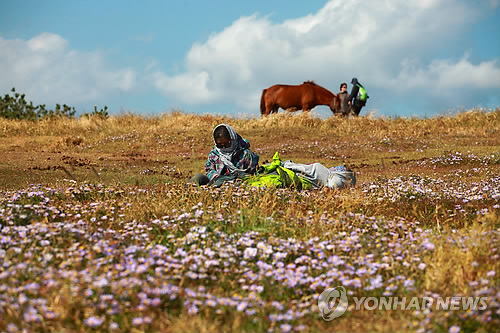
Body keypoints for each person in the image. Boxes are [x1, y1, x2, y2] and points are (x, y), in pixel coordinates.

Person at [188, 124, 259, 186]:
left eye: (226, 144)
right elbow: (209, 170)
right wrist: (216, 177)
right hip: (215, 182)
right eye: (220, 145)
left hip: (237, 184)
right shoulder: (214, 154)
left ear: (233, 139)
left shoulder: (246, 154)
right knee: (198, 177)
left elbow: (252, 174)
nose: (224, 148)